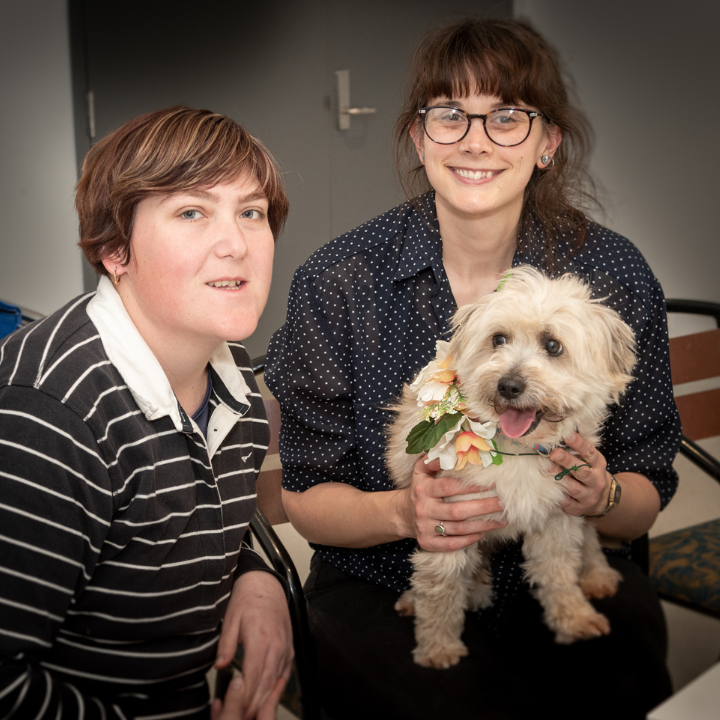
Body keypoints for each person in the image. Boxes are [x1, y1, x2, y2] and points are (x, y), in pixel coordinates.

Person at [265, 18, 681, 720]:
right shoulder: (338, 280)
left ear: (548, 142)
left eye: (507, 116)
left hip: (557, 554)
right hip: (382, 572)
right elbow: (304, 499)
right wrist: (405, 510)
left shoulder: (613, 274)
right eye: (449, 114)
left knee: (623, 681)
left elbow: (649, 489)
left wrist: (600, 497)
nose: (476, 139)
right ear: (417, 136)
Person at [0, 107, 293, 720]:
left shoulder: (229, 373)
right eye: (192, 212)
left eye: (251, 212)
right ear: (115, 248)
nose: (235, 244)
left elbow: (176, 520)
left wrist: (256, 576)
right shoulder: (52, 416)